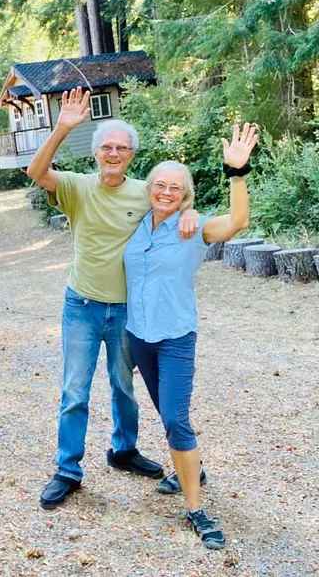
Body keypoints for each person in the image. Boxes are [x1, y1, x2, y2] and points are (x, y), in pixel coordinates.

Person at [27, 88, 198, 510]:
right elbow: (36, 170)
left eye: (122, 147)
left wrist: (190, 210)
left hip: (127, 312)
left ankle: (124, 450)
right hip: (82, 306)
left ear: (132, 155)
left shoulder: (144, 192)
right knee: (75, 390)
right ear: (96, 152)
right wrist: (63, 126)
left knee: (125, 386)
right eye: (107, 146)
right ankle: (68, 469)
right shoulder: (76, 187)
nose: (114, 153)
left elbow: (175, 198)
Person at [124, 122, 259, 549]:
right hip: (138, 337)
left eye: (175, 189)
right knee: (166, 415)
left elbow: (238, 221)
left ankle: (195, 508)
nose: (166, 192)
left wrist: (236, 172)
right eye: (159, 185)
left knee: (177, 420)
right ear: (149, 188)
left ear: (186, 196)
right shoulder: (132, 222)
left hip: (176, 338)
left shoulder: (192, 229)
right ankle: (192, 469)